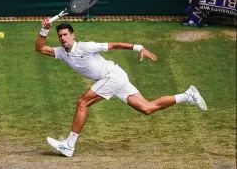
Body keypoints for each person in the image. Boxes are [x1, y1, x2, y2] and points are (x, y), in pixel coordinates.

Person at [35, 18, 207, 157]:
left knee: (82, 103)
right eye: (60, 36)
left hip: (112, 77)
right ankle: (188, 95)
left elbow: (114, 45)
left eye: (65, 35)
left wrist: (139, 47)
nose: (63, 38)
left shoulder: (86, 47)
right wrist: (45, 30)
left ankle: (69, 146)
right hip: (116, 77)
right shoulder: (61, 52)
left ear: (73, 35)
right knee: (147, 108)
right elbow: (40, 48)